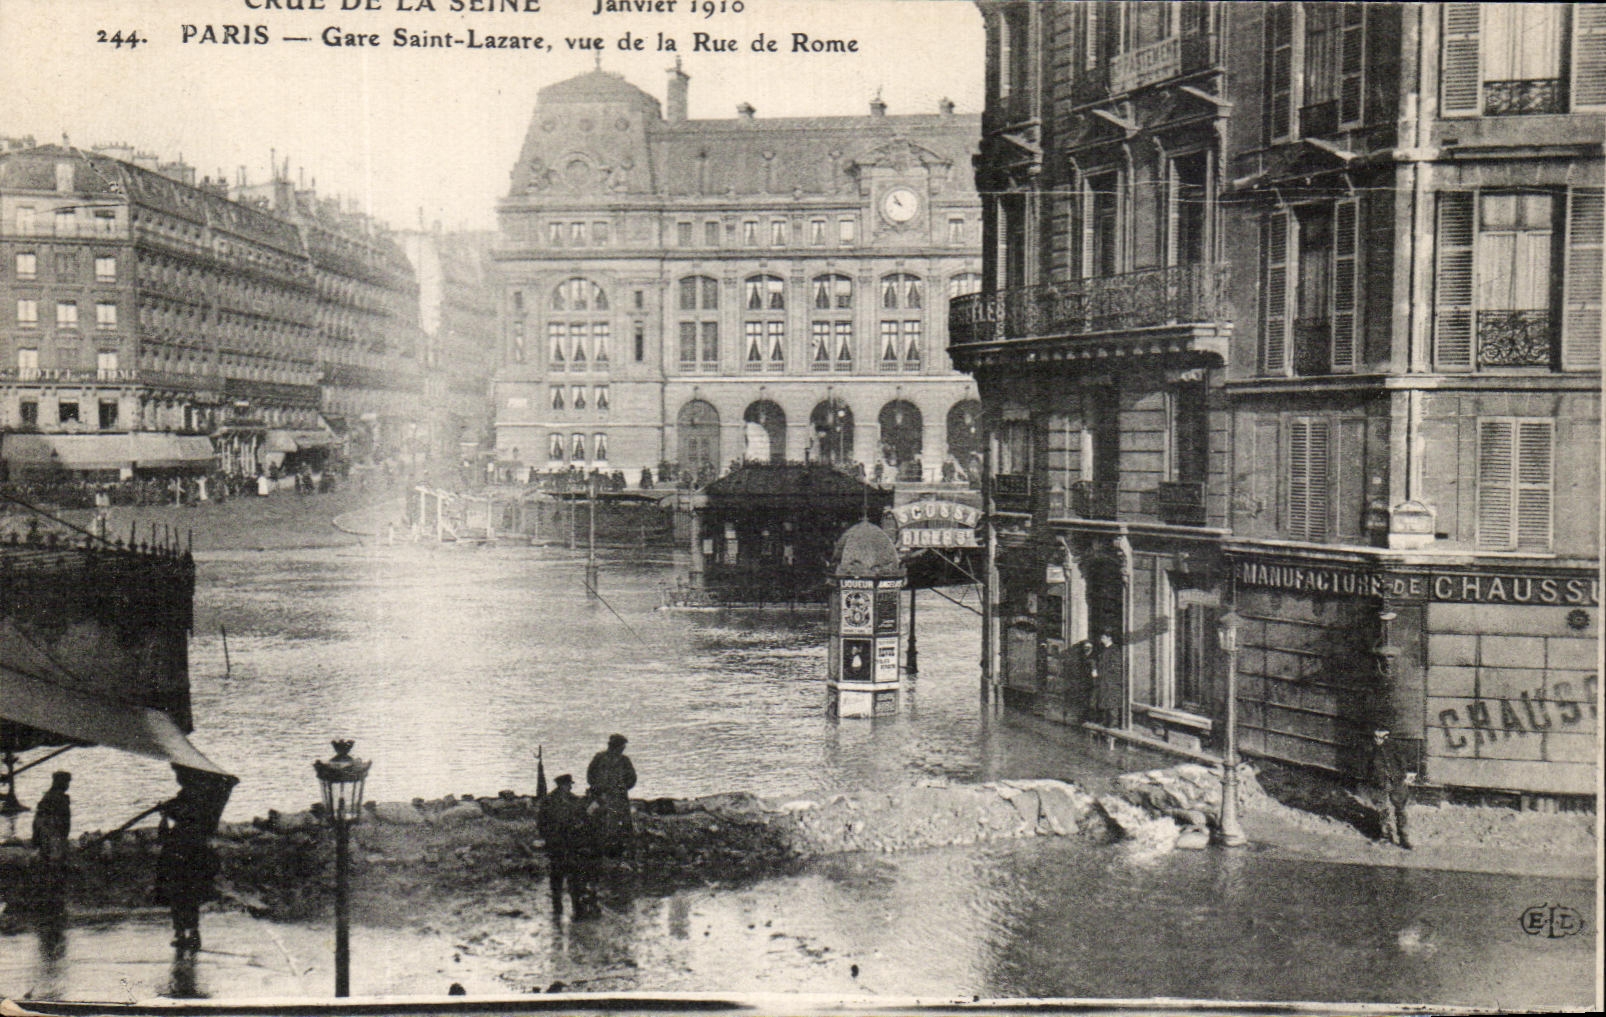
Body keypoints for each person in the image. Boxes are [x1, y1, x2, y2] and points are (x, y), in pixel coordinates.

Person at [154, 767, 235, 952]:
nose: (179, 779)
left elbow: (186, 815)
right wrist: (166, 812)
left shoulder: (196, 800)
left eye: (180, 776)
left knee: (184, 894)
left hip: (187, 853)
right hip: (185, 852)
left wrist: (167, 812)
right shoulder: (194, 797)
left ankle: (188, 933)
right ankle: (184, 933)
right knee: (183, 895)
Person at [538, 774, 592, 916]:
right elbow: (541, 824)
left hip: (572, 843)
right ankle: (557, 906)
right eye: (568, 785)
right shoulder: (549, 802)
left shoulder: (573, 800)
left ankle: (577, 907)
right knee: (557, 875)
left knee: (574, 875)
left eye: (570, 785)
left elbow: (584, 816)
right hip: (556, 844)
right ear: (561, 786)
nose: (570, 787)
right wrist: (549, 838)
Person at [586, 734, 636, 859]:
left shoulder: (622, 760)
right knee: (604, 822)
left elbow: (632, 778)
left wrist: (623, 787)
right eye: (622, 746)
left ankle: (617, 851)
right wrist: (599, 788)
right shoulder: (602, 758)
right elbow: (590, 776)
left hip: (615, 797)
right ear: (617, 746)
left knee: (618, 823)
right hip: (606, 797)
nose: (623, 749)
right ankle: (606, 851)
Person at [1367, 727, 1414, 849]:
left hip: (1397, 782)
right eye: (1375, 737)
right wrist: (1375, 780)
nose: (1377, 740)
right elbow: (1369, 767)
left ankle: (1404, 838)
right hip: (1381, 782)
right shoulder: (1372, 750)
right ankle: (1385, 836)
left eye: (1380, 737)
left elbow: (1403, 763)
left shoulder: (1395, 748)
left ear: (1386, 737)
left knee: (1401, 810)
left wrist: (1401, 777)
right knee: (1383, 809)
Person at [32, 771, 72, 879]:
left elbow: (37, 819)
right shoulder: (60, 798)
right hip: (54, 833)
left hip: (45, 833)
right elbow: (65, 820)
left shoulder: (47, 797)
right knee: (56, 861)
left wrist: (35, 836)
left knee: (47, 860)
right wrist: (64, 835)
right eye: (66, 783)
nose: (68, 786)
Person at [1091, 631, 1124, 728]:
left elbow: (1115, 666)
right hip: (1104, 679)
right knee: (1104, 700)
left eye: (1103, 638)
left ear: (1109, 638)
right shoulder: (1103, 649)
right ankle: (1106, 721)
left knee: (1112, 701)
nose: (1101, 640)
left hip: (1111, 680)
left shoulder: (1114, 650)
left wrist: (1102, 673)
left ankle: (1114, 722)